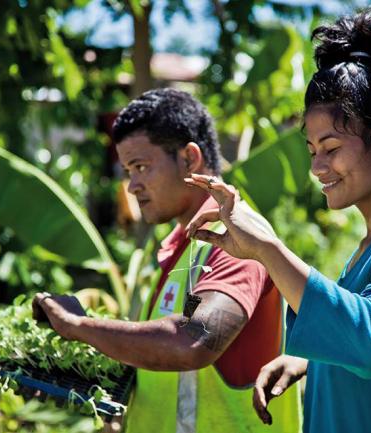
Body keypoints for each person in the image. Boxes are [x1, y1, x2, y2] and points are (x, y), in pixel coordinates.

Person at [185, 9, 371, 433]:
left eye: (331, 148)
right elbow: (366, 342)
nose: (317, 168)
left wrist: (268, 248)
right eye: (312, 150)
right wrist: (312, 361)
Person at [32, 88, 300, 433]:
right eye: (128, 170)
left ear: (189, 159)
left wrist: (79, 326)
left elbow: (194, 341)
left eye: (141, 167)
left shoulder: (238, 241)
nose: (132, 186)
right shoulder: (182, 247)